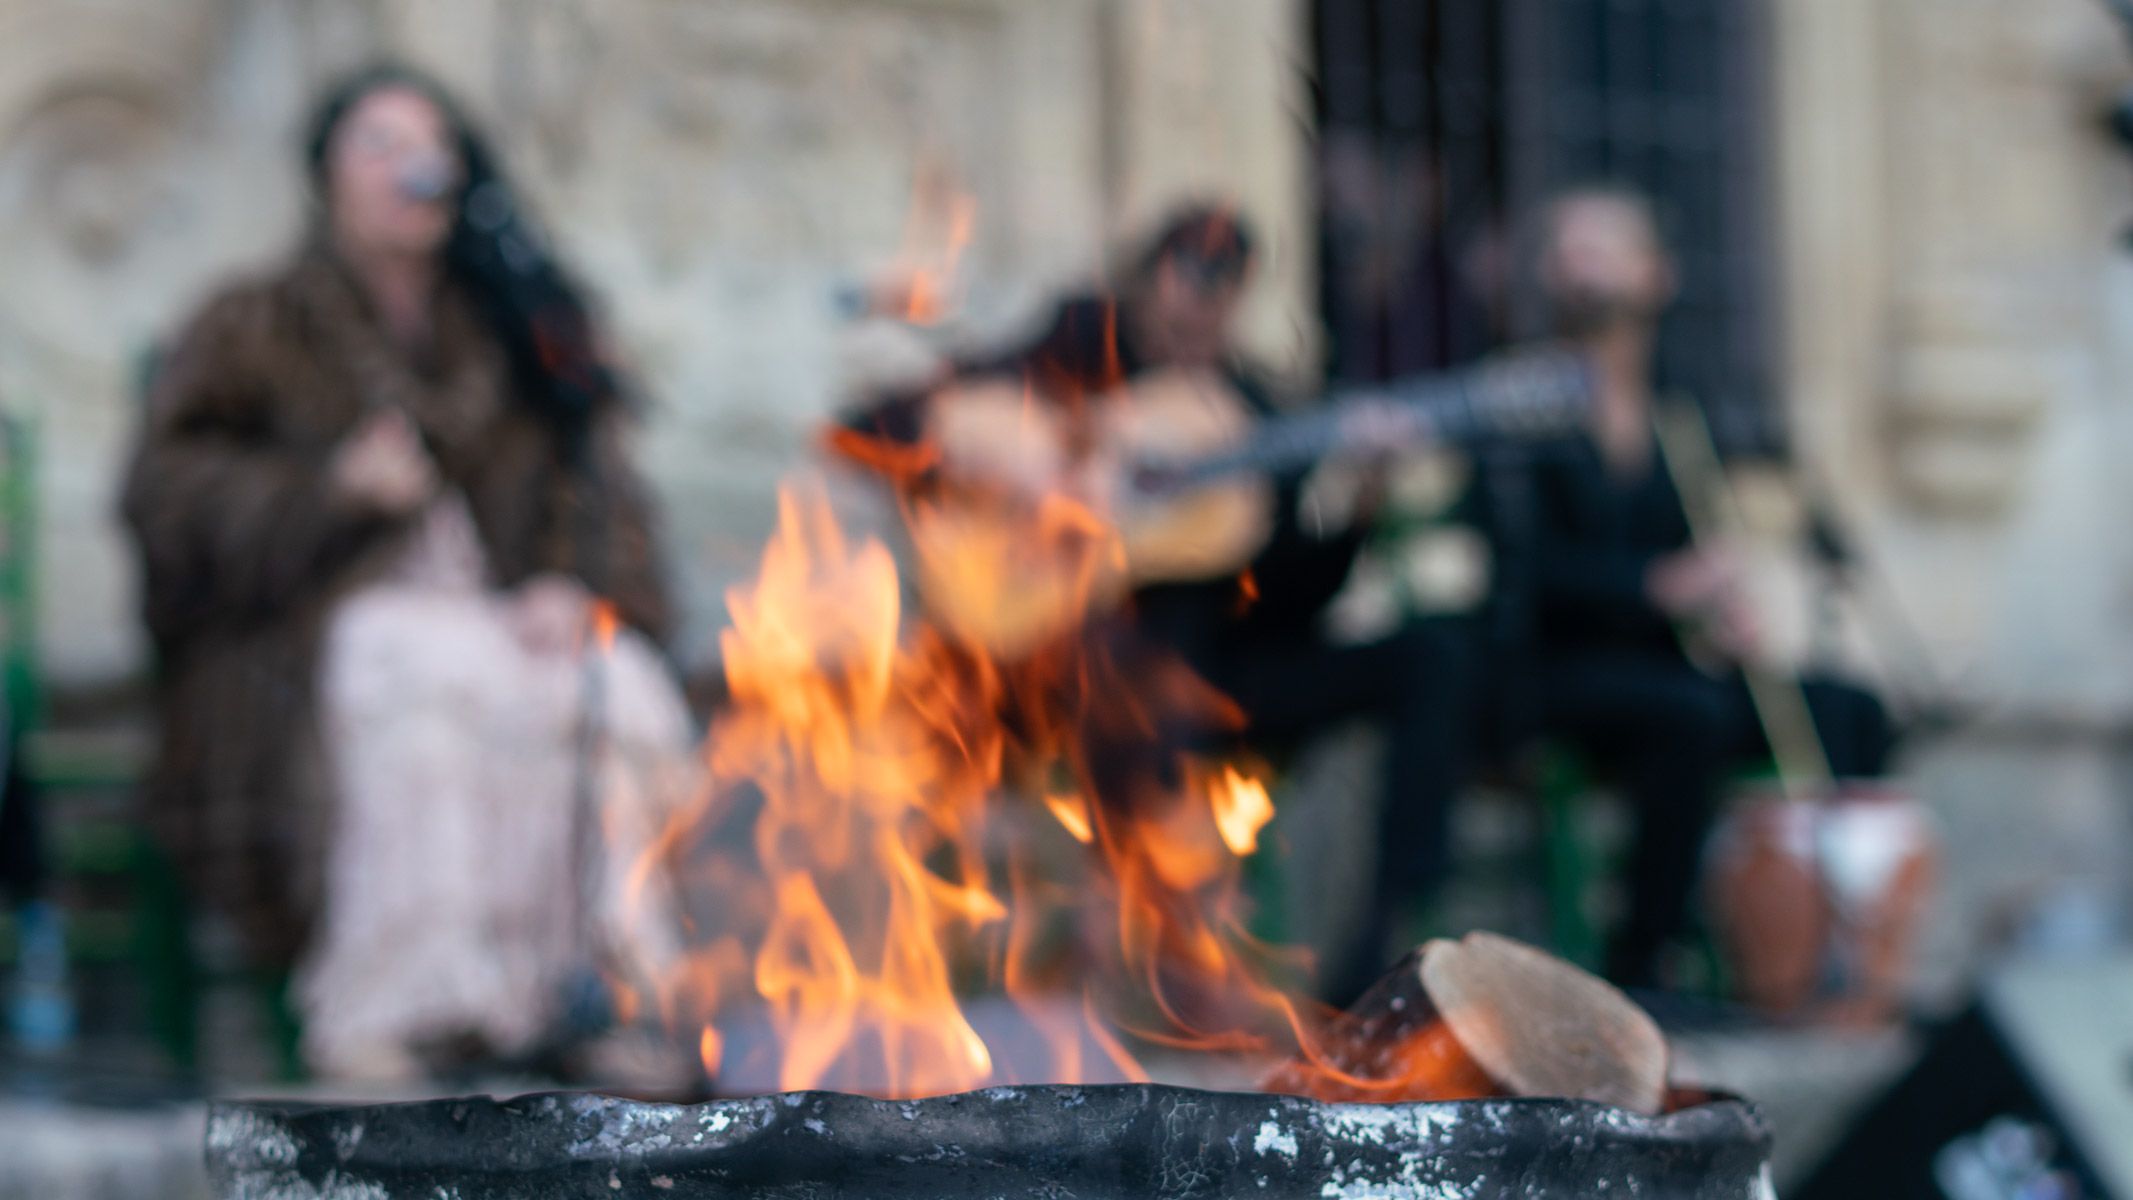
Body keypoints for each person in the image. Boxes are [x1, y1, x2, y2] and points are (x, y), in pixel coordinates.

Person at [121, 64, 690, 1080]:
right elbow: (166, 496)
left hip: (500, 620)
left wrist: (572, 583)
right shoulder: (252, 323)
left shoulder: (521, 326)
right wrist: (330, 491)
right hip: (311, 638)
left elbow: (602, 489)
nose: (411, 166)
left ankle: (610, 999)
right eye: (379, 143)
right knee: (410, 675)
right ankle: (408, 1012)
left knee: (619, 685)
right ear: (327, 176)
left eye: (431, 145)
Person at [846, 206, 1476, 1004]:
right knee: (1125, 657)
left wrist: (1357, 507)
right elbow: (880, 423)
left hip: (1213, 674)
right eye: (1184, 281)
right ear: (1144, 283)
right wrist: (1040, 470)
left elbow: (1290, 601)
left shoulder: (1251, 410)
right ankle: (1147, 940)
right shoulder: (1073, 352)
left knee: (1430, 657)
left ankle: (1384, 948)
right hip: (1064, 673)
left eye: (1222, 290)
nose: (1198, 309)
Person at [1487, 188, 1896, 987]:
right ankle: (1645, 960)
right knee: (1688, 717)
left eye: (1601, 247)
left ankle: (1808, 952)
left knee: (1851, 712)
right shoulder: (1517, 405)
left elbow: (1690, 563)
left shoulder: (1677, 414)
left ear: (1655, 275)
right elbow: (1515, 570)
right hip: (1547, 670)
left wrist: (1716, 612)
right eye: (1565, 249)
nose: (1579, 265)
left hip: (1659, 666)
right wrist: (1653, 586)